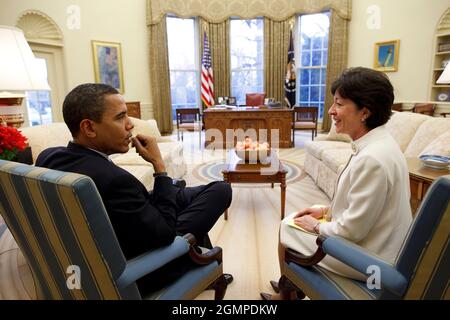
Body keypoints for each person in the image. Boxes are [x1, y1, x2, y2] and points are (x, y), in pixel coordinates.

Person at [36, 83, 233, 294]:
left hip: (121, 223)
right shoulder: (116, 181)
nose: (130, 124)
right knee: (218, 193)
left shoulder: (49, 157)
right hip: (145, 268)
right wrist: (159, 167)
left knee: (215, 190)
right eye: (120, 117)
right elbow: (166, 232)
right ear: (89, 128)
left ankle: (186, 222)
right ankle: (199, 259)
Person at [261, 67, 413, 300]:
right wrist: (326, 211)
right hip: (381, 244)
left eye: (339, 104)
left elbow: (351, 231)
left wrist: (316, 225)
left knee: (286, 226)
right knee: (297, 222)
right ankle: (291, 286)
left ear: (365, 112)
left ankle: (287, 295)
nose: (331, 111)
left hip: (371, 260)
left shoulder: (373, 159)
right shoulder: (381, 144)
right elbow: (367, 206)